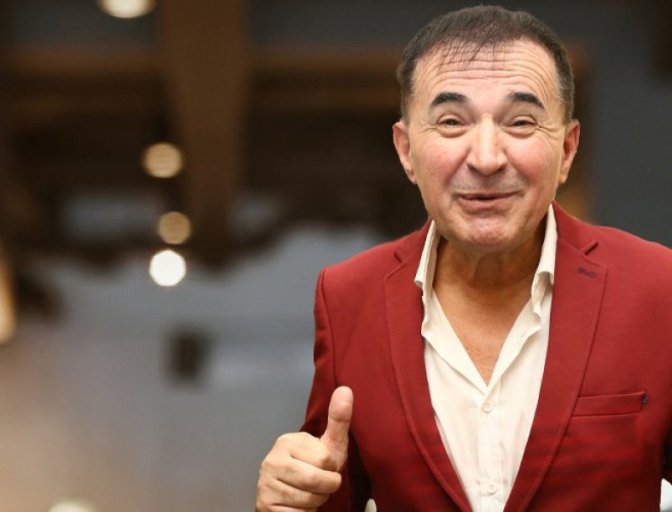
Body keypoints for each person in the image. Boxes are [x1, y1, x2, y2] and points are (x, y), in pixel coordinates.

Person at [256, 5, 672, 512]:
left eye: (521, 122)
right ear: (406, 150)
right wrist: (289, 497)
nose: (487, 158)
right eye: (452, 122)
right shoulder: (349, 299)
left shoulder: (657, 289)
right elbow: (327, 488)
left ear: (566, 150)